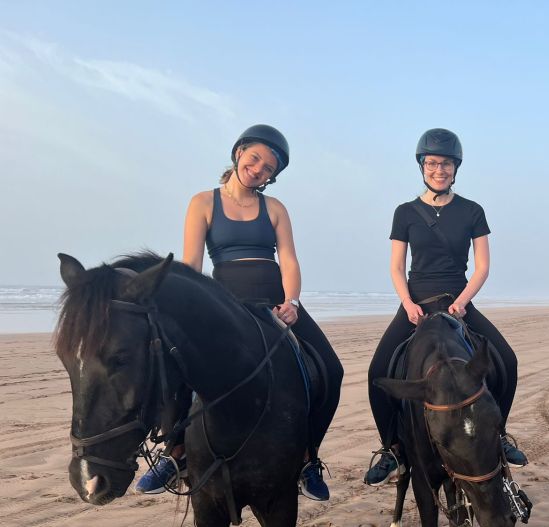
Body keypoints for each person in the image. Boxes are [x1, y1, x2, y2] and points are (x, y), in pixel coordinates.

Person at [135, 124, 343, 501]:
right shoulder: (202, 202)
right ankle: (175, 452)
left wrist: (292, 302)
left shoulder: (275, 209)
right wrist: (188, 311)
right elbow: (192, 265)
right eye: (256, 159)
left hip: (274, 297)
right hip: (223, 301)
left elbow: (290, 261)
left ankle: (309, 457)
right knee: (176, 364)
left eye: (268, 168)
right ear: (239, 153)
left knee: (331, 368)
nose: (259, 169)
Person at [364, 128, 527, 485]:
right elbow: (395, 265)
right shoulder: (405, 212)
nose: (440, 169)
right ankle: (390, 447)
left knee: (507, 360)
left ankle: (500, 435)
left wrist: (462, 302)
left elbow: (482, 266)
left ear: (456, 168)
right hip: (416, 302)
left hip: (458, 301)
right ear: (422, 165)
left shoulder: (472, 211)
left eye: (447, 164)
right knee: (378, 372)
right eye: (433, 163)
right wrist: (406, 303)